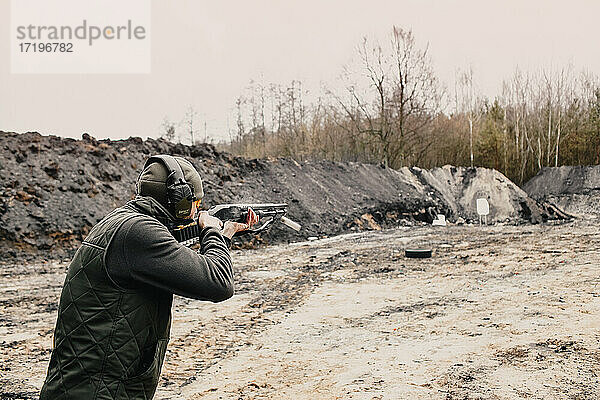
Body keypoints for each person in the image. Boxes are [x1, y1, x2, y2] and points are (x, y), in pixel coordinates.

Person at [39, 155, 257, 400]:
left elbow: (174, 249)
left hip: (92, 384)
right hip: (99, 390)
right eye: (194, 202)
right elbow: (218, 283)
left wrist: (222, 233)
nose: (197, 211)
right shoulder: (139, 232)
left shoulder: (123, 222)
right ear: (180, 200)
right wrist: (213, 231)